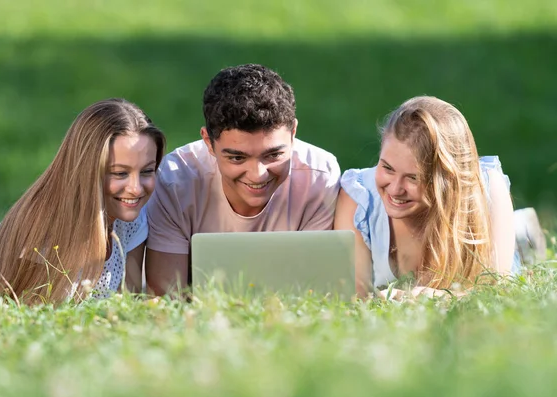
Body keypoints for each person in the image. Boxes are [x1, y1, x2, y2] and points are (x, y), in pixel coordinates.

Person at [145, 64, 341, 296]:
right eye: (237, 157)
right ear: (208, 142)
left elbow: (314, 289)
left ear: (293, 133)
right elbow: (167, 294)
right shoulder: (175, 180)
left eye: (273, 155)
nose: (257, 174)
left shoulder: (320, 176)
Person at [0, 98, 165, 304]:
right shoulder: (44, 233)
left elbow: (128, 305)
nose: (136, 189)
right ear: (87, 170)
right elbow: (23, 314)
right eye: (120, 173)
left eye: (147, 171)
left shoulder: (132, 216)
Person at [334, 95, 541, 299]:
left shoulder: (485, 188)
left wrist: (442, 298)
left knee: (511, 262)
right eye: (387, 168)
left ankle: (519, 235)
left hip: (489, 226)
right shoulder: (358, 198)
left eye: (413, 178)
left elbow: (495, 291)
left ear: (447, 179)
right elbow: (352, 298)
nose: (395, 189)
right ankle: (518, 227)